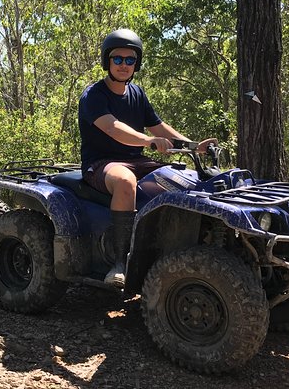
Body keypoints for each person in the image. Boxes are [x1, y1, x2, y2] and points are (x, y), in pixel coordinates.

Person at [78, 29, 217, 287]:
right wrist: (146, 141)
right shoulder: (93, 95)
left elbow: (159, 126)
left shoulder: (137, 94)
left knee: (180, 178)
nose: (123, 65)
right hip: (102, 164)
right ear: (107, 61)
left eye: (129, 60)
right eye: (117, 59)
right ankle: (120, 262)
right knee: (125, 182)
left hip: (139, 161)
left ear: (136, 64)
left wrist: (193, 146)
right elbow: (113, 128)